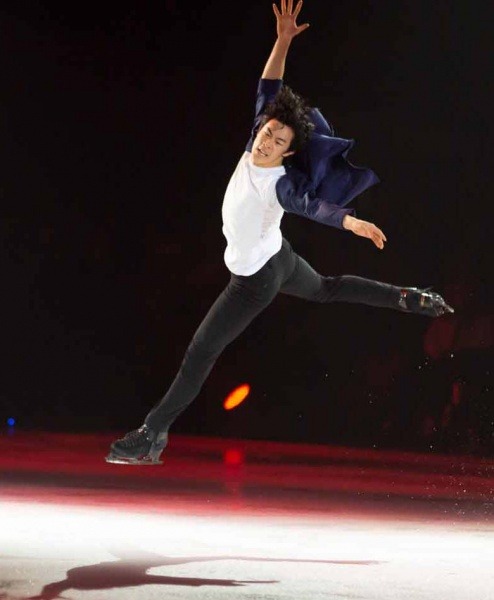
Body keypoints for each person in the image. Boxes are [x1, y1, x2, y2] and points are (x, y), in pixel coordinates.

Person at [106, 0, 453, 465]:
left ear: (289, 154)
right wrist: (283, 40)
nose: (266, 141)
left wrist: (351, 221)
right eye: (268, 131)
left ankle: (152, 436)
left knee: (201, 351)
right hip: (279, 258)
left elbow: (314, 206)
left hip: (254, 281)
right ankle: (409, 297)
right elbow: (269, 84)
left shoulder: (280, 184)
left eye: (277, 141)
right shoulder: (256, 135)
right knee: (327, 289)